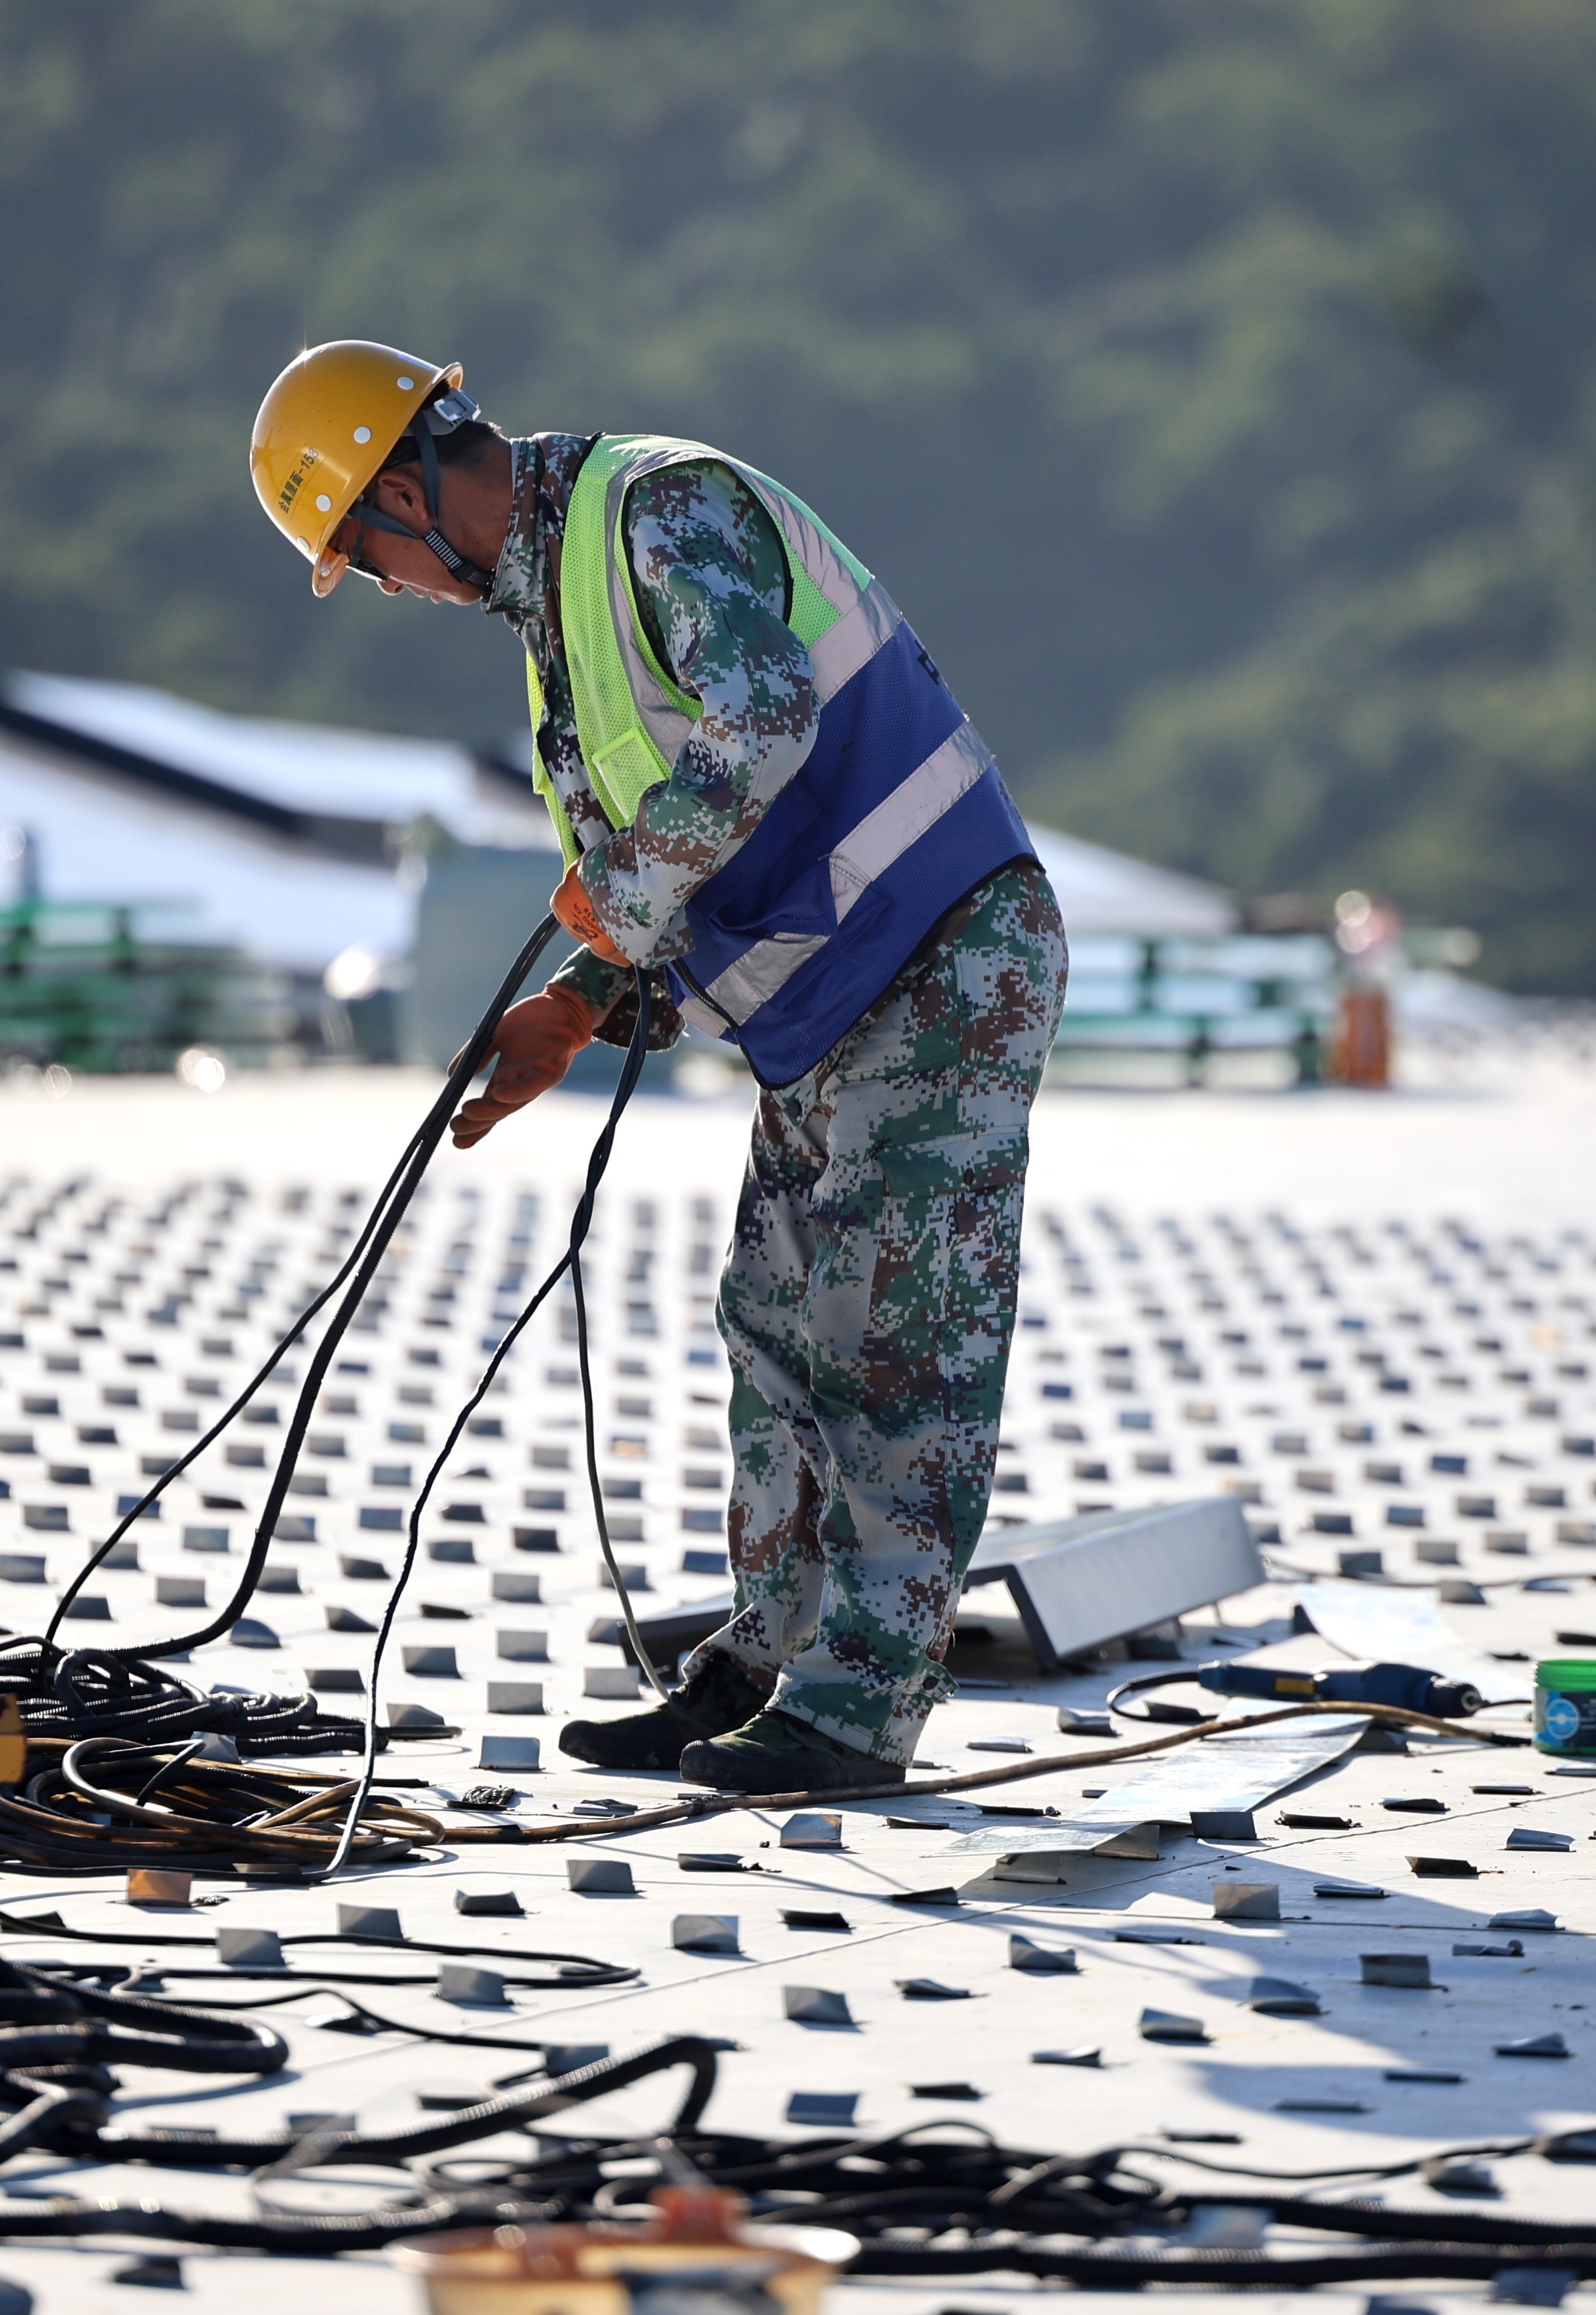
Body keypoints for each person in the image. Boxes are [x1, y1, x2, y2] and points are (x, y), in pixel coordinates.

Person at [247, 343, 1064, 1796]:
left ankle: (855, 1711)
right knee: (775, 1324)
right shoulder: (558, 612)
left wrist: (611, 910)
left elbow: (765, 720)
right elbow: (697, 846)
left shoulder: (656, 510)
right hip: (832, 999)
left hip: (944, 956)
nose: (385, 586)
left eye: (364, 556)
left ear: (405, 491)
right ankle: (763, 1665)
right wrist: (577, 1006)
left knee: (893, 1336)